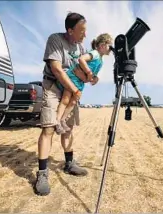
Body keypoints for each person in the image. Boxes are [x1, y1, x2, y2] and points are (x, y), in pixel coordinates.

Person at [35, 12, 99, 196]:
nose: (85, 35)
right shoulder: (55, 40)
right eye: (81, 31)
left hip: (70, 92)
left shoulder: (81, 47)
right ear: (70, 30)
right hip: (54, 87)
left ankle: (69, 163)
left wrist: (91, 77)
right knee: (48, 129)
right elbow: (57, 70)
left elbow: (81, 71)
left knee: (67, 129)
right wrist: (75, 89)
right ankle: (42, 174)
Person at [55, 33, 113, 134]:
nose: (111, 49)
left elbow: (92, 77)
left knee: (73, 102)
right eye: (110, 46)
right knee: (66, 99)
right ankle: (57, 122)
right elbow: (81, 59)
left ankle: (62, 120)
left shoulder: (101, 62)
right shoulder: (94, 53)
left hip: (80, 81)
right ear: (102, 45)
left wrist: (94, 79)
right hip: (73, 77)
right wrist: (89, 73)